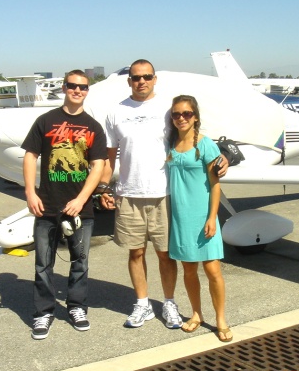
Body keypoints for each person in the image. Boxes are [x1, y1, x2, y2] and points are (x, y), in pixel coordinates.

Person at [98, 59, 228, 329]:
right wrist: (104, 187)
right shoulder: (115, 112)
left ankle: (169, 302)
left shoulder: (169, 109)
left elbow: (193, 135)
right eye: (136, 77)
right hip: (129, 194)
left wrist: (223, 157)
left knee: (165, 255)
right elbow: (110, 157)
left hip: (164, 194)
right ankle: (143, 304)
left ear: (154, 79)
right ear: (129, 81)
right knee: (135, 253)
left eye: (146, 76)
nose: (141, 81)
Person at [21, 70, 107, 340]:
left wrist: (82, 199)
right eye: (72, 86)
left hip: (81, 208)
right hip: (47, 205)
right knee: (42, 264)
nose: (77, 90)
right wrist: (30, 192)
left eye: (82, 87)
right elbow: (30, 155)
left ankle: (77, 307)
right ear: (64, 88)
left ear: (87, 90)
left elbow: (98, 166)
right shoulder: (46, 121)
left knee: (80, 262)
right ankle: (44, 312)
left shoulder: (93, 127)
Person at [166, 95, 232, 342]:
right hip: (180, 218)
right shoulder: (170, 144)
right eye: (176, 114)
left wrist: (212, 217)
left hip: (203, 215)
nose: (181, 118)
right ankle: (196, 314)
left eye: (186, 114)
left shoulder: (205, 145)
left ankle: (221, 319)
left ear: (195, 117)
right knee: (189, 270)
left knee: (213, 270)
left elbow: (215, 185)